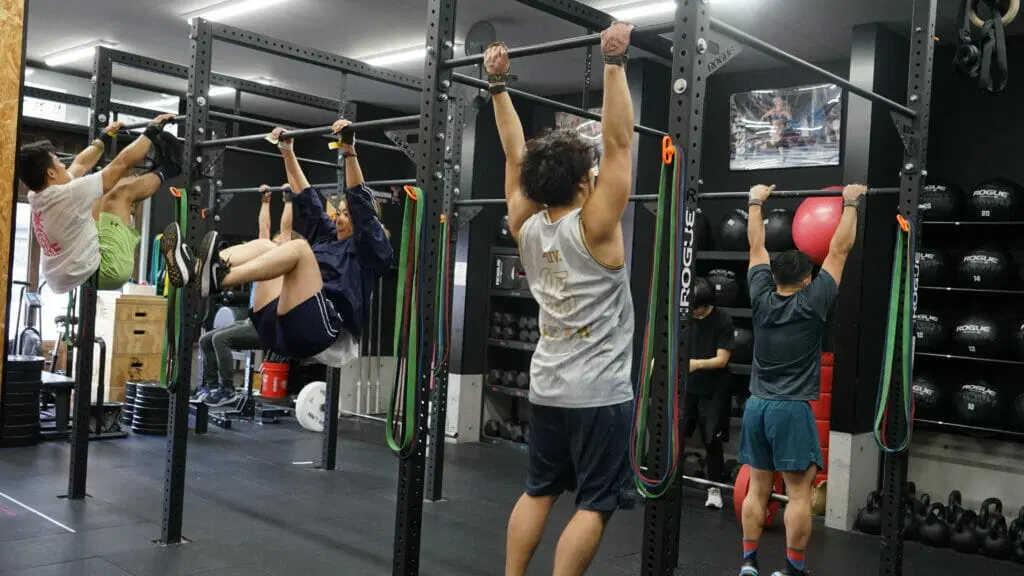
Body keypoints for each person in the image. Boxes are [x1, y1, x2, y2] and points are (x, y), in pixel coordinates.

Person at [485, 22, 636, 576]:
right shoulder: (597, 227)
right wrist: (615, 62)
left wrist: (497, 87)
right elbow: (619, 143)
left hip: (547, 385)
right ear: (581, 185)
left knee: (539, 491)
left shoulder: (524, 225)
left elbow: (512, 154)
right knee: (594, 504)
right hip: (598, 394)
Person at [162, 119, 393, 368]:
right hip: (277, 327)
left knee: (296, 247)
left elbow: (360, 202)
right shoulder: (327, 237)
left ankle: (220, 279)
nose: (339, 216)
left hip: (320, 330)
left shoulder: (370, 252)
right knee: (266, 246)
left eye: (347, 214)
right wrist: (287, 151)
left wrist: (348, 149)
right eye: (340, 211)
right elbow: (307, 197)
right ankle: (195, 270)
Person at [738, 183, 867, 576]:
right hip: (791, 411)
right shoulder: (814, 303)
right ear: (808, 279)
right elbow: (839, 249)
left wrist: (755, 200)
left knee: (757, 489)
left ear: (773, 276)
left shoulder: (760, 297)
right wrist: (850, 201)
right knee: (798, 494)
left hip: (756, 405)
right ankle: (792, 570)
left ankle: (749, 564)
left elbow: (756, 247)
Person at [18, 113, 182, 293]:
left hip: (75, 273)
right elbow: (122, 163)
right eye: (58, 163)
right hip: (109, 270)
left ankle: (155, 172)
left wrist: (105, 137)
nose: (64, 165)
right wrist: (152, 130)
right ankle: (169, 168)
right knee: (119, 194)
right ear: (51, 173)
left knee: (100, 194)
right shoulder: (68, 195)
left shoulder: (38, 194)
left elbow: (80, 164)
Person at [198, 183, 296, 407]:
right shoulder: (265, 259)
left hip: (271, 328)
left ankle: (227, 389)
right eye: (275, 239)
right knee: (205, 339)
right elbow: (263, 231)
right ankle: (210, 387)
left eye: (279, 240)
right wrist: (265, 201)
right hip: (253, 321)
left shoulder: (285, 261)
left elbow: (287, 232)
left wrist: (289, 200)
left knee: (220, 339)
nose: (275, 241)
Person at [681, 277, 735, 510]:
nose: (693, 313)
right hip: (688, 386)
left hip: (714, 389)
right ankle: (666, 482)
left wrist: (694, 364)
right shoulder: (685, 316)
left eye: (697, 309)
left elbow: (722, 360)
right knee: (675, 434)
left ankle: (714, 490)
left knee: (711, 438)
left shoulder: (723, 320)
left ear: (706, 305)